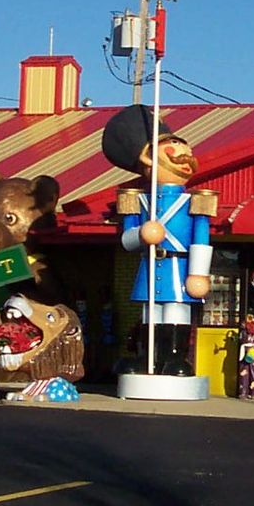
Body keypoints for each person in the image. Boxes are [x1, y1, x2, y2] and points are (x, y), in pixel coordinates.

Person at [104, 105, 215, 376]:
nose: (184, 153)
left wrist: (199, 272)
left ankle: (175, 358)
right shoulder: (137, 200)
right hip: (151, 265)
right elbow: (126, 241)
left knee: (176, 311)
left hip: (179, 266)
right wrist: (141, 235)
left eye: (184, 145)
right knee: (150, 313)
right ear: (147, 158)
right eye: (173, 145)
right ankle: (147, 358)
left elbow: (200, 236)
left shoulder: (196, 200)